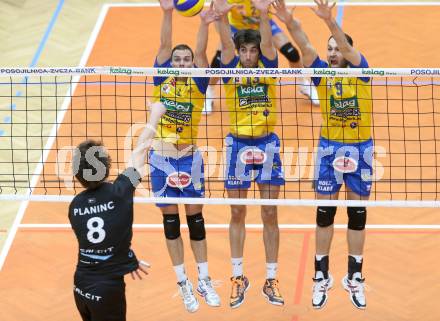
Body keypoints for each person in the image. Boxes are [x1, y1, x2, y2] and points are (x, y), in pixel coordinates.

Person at [273, 0, 372, 310]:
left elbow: (346, 45)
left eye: (336, 48)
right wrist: (289, 21)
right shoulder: (322, 75)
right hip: (329, 149)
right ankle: (321, 277)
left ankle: (354, 278)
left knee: (357, 216)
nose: (332, 53)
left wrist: (331, 23)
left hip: (361, 149)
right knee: (324, 214)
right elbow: (303, 44)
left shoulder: (361, 71)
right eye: (329, 49)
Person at [148, 0, 221, 313]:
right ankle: (183, 282)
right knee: (170, 222)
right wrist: (166, 12)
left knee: (196, 220)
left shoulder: (198, 82)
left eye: (185, 59)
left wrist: (204, 22)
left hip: (189, 158)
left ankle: (204, 278)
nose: (180, 63)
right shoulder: (161, 79)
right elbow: (164, 44)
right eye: (176, 59)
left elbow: (203, 53)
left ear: (192, 63)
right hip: (161, 160)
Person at [213, 0, 285, 308]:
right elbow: (224, 43)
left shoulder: (269, 69)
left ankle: (271, 279)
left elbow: (269, 42)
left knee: (270, 213)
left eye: (252, 50)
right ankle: (237, 277)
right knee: (237, 212)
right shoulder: (231, 72)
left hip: (267, 144)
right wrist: (218, 16)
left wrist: (265, 12)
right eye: (243, 51)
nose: (248, 55)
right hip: (238, 146)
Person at [69, 124, 153, 321]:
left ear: (77, 174)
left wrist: (125, 258)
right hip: (107, 290)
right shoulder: (120, 191)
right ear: (106, 167)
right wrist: (155, 117)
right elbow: (139, 153)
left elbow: (98, 242)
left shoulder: (74, 206)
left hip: (80, 286)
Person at [205, 0, 319, 113]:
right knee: (218, 60)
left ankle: (303, 84)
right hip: (237, 28)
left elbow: (280, 5)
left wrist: (287, 16)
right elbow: (218, 22)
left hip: (263, 24)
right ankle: (209, 89)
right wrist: (226, 36)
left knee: (291, 53)